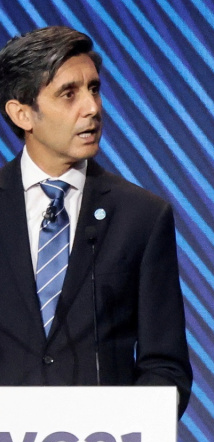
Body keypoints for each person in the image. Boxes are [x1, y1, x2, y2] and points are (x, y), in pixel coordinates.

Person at [0, 26, 192, 417]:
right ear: (22, 113)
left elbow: (165, 368)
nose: (92, 107)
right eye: (69, 94)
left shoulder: (142, 216)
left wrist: (125, 430)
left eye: (94, 89)